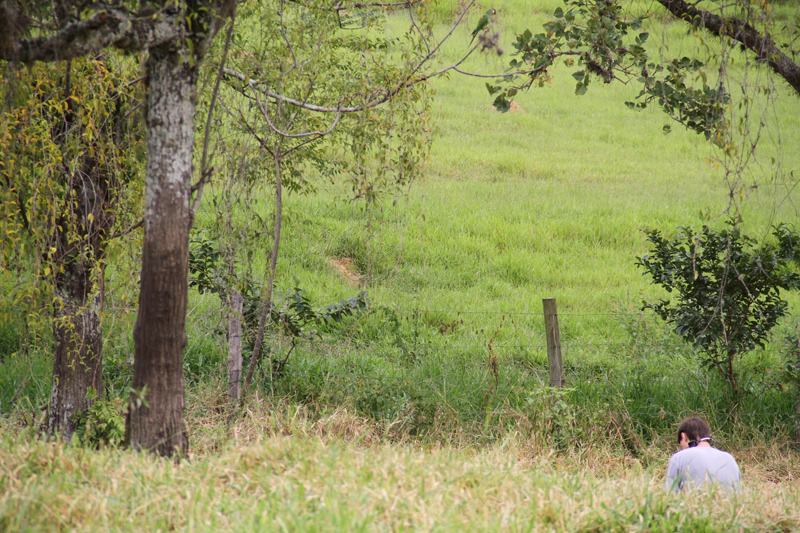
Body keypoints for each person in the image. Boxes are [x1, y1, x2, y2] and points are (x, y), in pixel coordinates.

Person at [664, 417, 741, 493]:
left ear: (684, 437)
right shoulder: (729, 459)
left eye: (681, 445)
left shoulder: (679, 458)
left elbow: (670, 494)